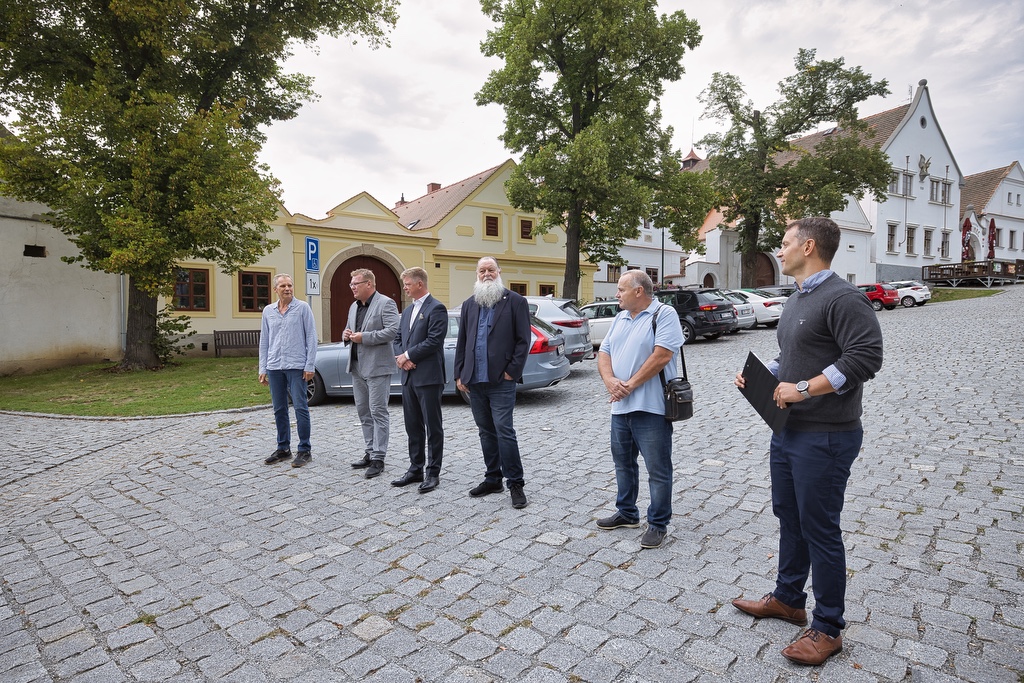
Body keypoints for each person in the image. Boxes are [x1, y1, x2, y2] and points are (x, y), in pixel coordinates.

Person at [732, 217, 884, 666]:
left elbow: (866, 357)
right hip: (789, 431)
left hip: (827, 435)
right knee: (789, 517)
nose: (779, 251)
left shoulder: (843, 297)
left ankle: (829, 627)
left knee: (820, 529)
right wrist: (768, 376)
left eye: (784, 244)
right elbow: (792, 355)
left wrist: (803, 389)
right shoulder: (800, 299)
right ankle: (788, 599)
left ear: (809, 246)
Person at [596, 270, 683, 549]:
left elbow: (663, 355)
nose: (616, 294)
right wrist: (610, 381)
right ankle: (627, 513)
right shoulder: (620, 317)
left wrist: (629, 385)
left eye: (621, 289)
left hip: (652, 407)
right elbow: (604, 352)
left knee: (658, 468)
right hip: (620, 407)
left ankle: (658, 523)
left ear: (639, 291)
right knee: (623, 463)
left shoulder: (664, 314)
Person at [454, 257, 531, 509]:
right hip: (475, 380)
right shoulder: (469, 304)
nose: (486, 273)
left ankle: (515, 483)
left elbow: (523, 341)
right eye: (482, 270)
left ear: (499, 272)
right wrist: (459, 374)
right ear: (477, 274)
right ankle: (493, 478)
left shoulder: (516, 302)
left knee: (504, 430)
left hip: (501, 380)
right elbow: (462, 342)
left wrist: (512, 371)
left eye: (490, 269)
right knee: (485, 431)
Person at [391, 267, 448, 493]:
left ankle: (433, 472)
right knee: (412, 426)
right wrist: (402, 358)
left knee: (433, 427)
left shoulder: (437, 308)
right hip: (408, 377)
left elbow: (435, 340)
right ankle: (415, 468)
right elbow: (397, 338)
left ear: (419, 284)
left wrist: (409, 355)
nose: (404, 287)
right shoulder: (407, 311)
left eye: (407, 284)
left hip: (428, 377)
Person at [344, 268, 400, 479]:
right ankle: (369, 451)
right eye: (351, 284)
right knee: (363, 411)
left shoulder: (386, 303)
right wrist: (346, 334)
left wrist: (364, 337)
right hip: (357, 366)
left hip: (377, 367)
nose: (352, 288)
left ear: (369, 284)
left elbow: (392, 331)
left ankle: (379, 457)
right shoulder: (353, 306)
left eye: (355, 284)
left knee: (378, 411)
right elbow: (349, 329)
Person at [258, 274, 318, 468]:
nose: (287, 288)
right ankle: (283, 448)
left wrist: (309, 365)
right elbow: (264, 341)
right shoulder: (268, 311)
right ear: (275, 289)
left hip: (296, 366)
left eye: (290, 285)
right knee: (279, 408)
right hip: (275, 366)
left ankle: (304, 449)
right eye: (283, 286)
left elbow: (311, 337)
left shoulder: (302, 308)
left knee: (300, 407)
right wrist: (263, 367)